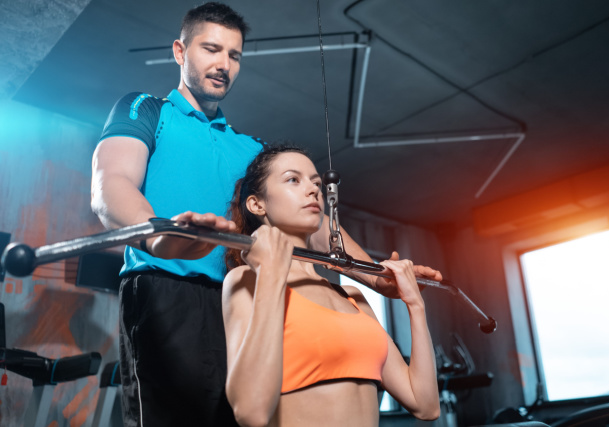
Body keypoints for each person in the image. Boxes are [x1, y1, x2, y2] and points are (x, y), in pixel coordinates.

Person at [91, 3, 442, 426]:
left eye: (234, 55)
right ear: (180, 52)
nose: (223, 64)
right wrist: (158, 236)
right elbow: (111, 185)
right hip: (169, 289)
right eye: (211, 49)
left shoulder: (252, 149)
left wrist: (373, 275)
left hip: (245, 294)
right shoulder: (148, 110)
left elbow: (311, 222)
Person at [222, 144, 441, 427]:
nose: (313, 190)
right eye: (293, 179)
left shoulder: (353, 297)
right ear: (257, 204)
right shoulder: (246, 282)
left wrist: (415, 305)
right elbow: (251, 412)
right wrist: (270, 274)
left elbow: (425, 405)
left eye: (316, 182)